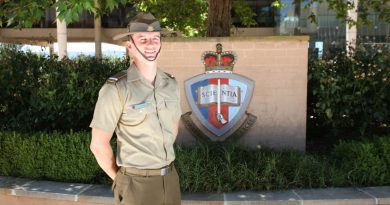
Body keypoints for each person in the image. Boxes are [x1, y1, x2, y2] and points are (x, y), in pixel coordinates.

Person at [89, 12, 182, 205]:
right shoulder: (116, 89)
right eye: (143, 39)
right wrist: (122, 180)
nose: (150, 44)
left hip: (170, 179)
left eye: (155, 39)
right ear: (130, 45)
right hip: (135, 184)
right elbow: (98, 145)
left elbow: (173, 128)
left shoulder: (170, 84)